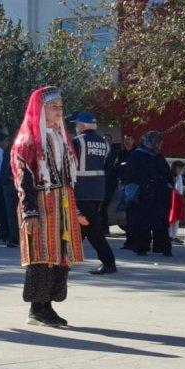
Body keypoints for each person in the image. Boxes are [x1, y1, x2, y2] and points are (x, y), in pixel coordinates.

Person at [12, 87, 86, 328]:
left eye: (61, 108)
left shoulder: (61, 139)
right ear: (41, 110)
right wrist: (29, 211)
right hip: (41, 204)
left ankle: (48, 306)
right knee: (41, 255)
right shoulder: (28, 142)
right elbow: (23, 180)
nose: (59, 112)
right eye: (54, 107)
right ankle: (36, 308)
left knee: (60, 256)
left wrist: (75, 211)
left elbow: (67, 179)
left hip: (62, 204)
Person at [70, 111, 116, 274]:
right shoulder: (105, 143)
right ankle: (66, 260)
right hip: (98, 191)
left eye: (76, 125)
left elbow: (70, 166)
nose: (75, 128)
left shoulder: (77, 142)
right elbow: (108, 167)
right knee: (81, 227)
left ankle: (109, 262)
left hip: (82, 191)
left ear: (82, 126)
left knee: (91, 228)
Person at [123, 131, 173, 257]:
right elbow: (131, 174)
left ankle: (162, 247)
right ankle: (142, 247)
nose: (160, 144)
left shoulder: (157, 156)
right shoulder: (138, 155)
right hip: (143, 194)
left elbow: (167, 174)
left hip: (159, 195)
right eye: (159, 141)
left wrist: (168, 186)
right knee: (143, 222)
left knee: (160, 222)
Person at [168, 161, 185, 243]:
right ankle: (171, 235)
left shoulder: (176, 176)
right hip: (175, 198)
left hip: (176, 197)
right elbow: (178, 189)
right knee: (173, 218)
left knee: (175, 217)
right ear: (178, 168)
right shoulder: (176, 177)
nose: (183, 171)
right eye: (182, 169)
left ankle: (172, 235)